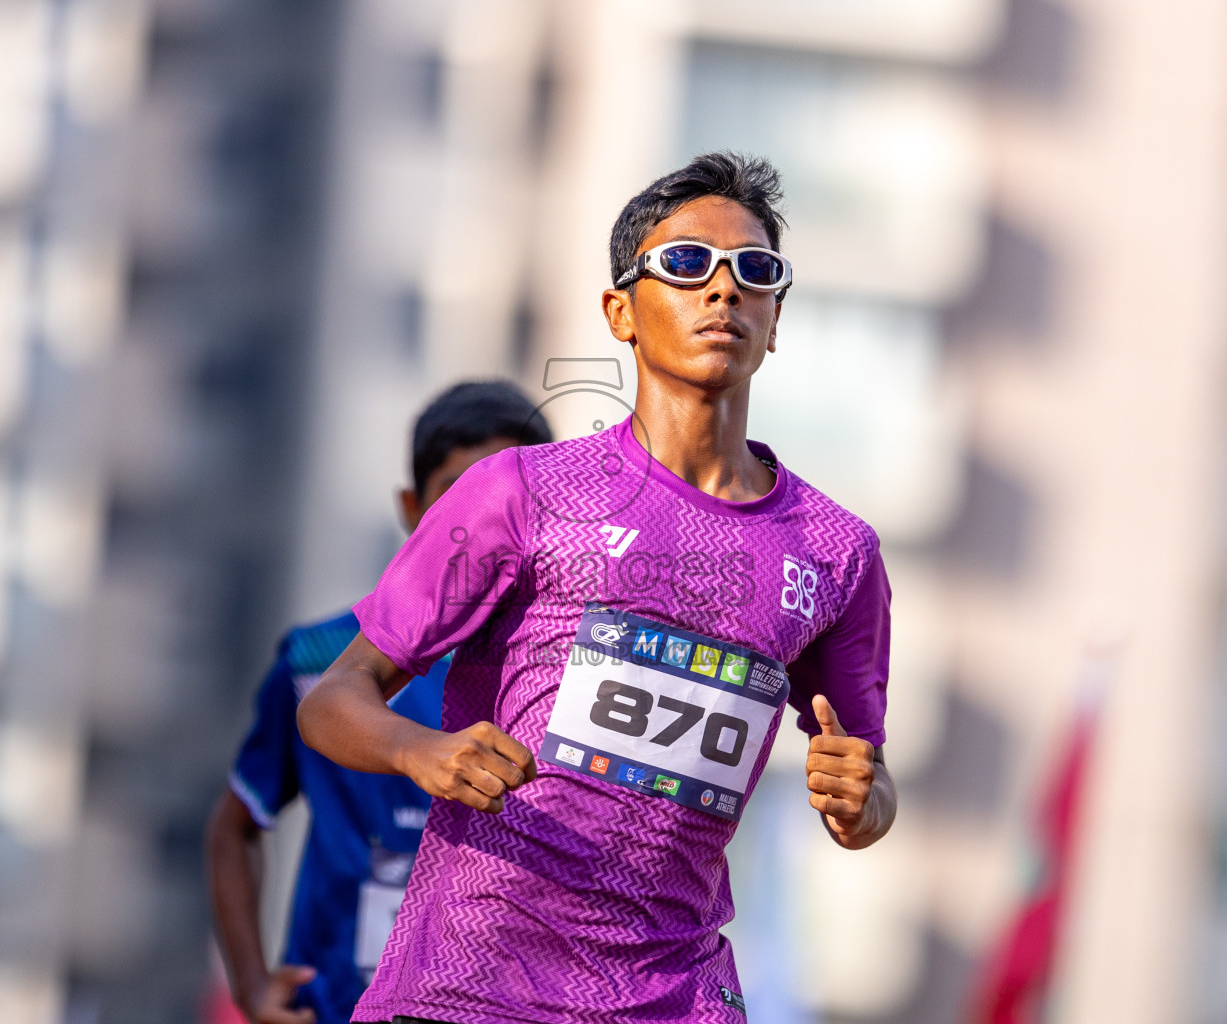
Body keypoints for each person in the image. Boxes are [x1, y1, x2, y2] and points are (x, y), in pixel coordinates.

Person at [297, 151, 899, 1024]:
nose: (723, 291)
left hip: (676, 994)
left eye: (754, 272)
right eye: (687, 265)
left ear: (776, 321)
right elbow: (334, 699)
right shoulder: (520, 492)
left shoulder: (838, 553)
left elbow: (869, 788)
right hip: (473, 983)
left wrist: (863, 799)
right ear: (621, 311)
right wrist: (418, 750)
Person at [206, 381, 553, 1024]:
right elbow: (234, 826)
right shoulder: (321, 662)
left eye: (506, 504)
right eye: (454, 500)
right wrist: (252, 987)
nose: (476, 528)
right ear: (410, 507)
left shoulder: (572, 673)